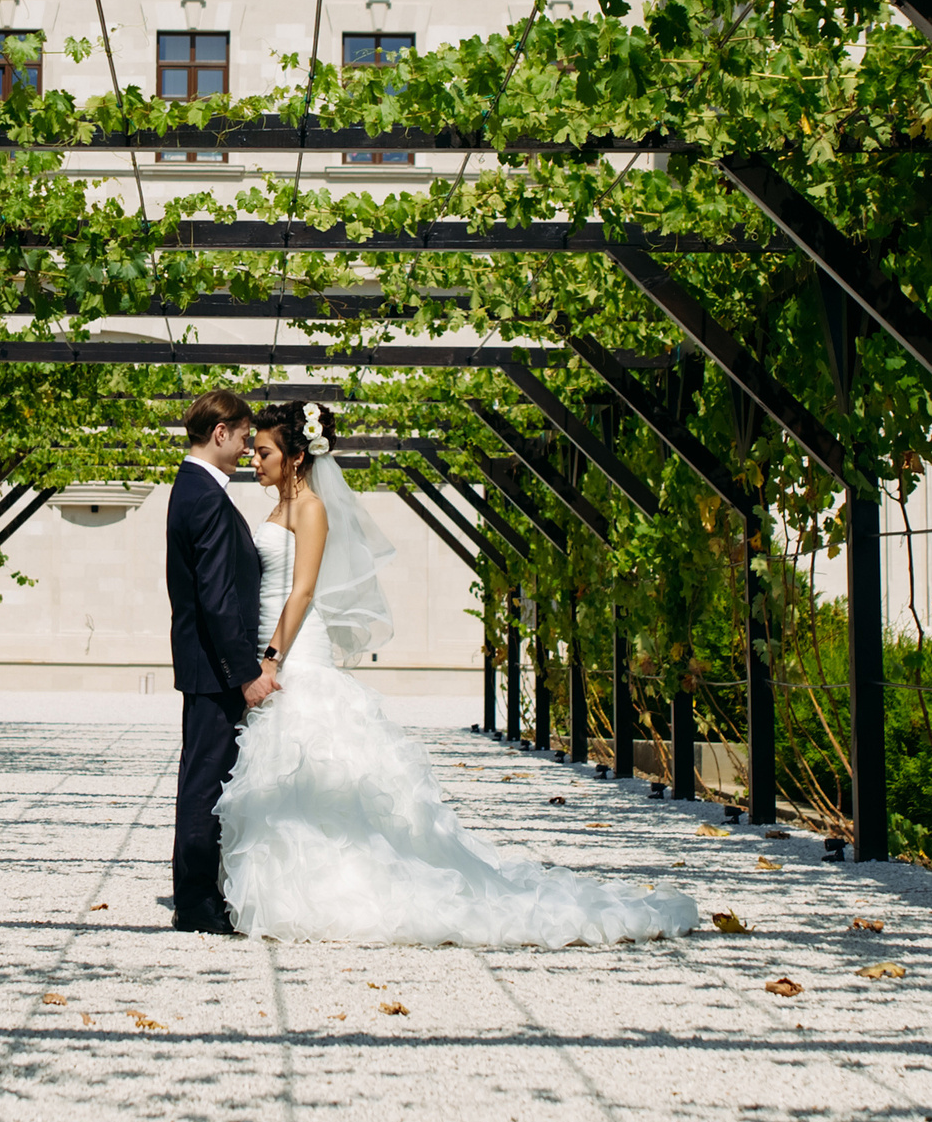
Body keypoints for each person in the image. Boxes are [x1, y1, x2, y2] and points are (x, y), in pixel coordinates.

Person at [216, 401, 701, 946]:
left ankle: (334, 889)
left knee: (315, 763)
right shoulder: (279, 507)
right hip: (274, 645)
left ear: (297, 456)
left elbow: (302, 590)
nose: (254, 461)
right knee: (285, 774)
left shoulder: (311, 509)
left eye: (264, 452)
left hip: (297, 652)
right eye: (255, 452)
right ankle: (290, 888)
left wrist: (273, 656)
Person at [163, 389, 277, 936]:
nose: (248, 449)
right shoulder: (204, 495)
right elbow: (216, 596)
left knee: (205, 777)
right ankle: (197, 904)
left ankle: (202, 893)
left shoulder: (196, 488)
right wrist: (246, 673)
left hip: (207, 665)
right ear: (220, 433)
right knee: (206, 783)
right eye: (244, 437)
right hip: (215, 668)